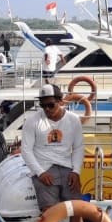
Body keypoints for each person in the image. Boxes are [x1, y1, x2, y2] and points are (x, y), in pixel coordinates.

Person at [21, 83, 85, 212]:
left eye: (51, 105)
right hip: (44, 168)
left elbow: (78, 147)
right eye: (43, 106)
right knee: (50, 213)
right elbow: (26, 150)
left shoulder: (73, 120)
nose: (47, 109)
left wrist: (76, 171)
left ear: (60, 102)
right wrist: (40, 172)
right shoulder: (32, 121)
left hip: (67, 168)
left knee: (77, 211)